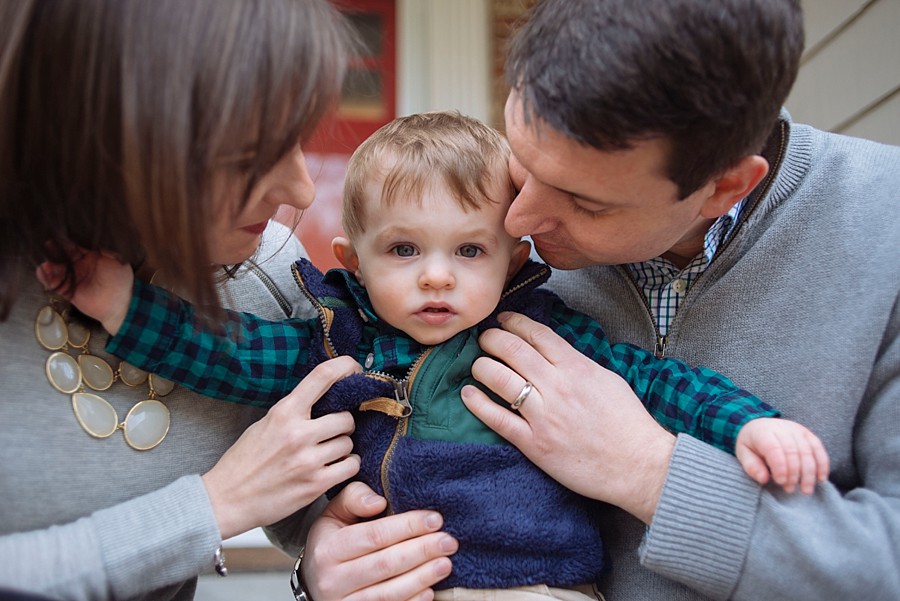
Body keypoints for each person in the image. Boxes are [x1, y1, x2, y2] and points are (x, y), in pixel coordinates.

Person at [60, 112, 826, 599]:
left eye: (468, 249)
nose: (436, 274)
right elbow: (225, 352)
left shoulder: (544, 335)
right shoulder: (335, 343)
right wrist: (123, 305)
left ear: (513, 257)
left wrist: (748, 427)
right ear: (351, 261)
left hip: (543, 585)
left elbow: (660, 384)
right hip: (400, 584)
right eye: (403, 248)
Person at [299, 1, 900, 600]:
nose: (519, 219)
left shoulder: (885, 229)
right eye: (522, 162)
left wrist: (647, 472)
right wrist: (322, 566)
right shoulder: (486, 264)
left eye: (584, 201)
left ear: (722, 187)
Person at [0, 1, 364, 599]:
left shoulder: (271, 272)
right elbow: (240, 493)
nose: (301, 188)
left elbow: (314, 510)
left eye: (297, 138)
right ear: (104, 139)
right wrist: (208, 509)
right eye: (249, 156)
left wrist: (324, 564)